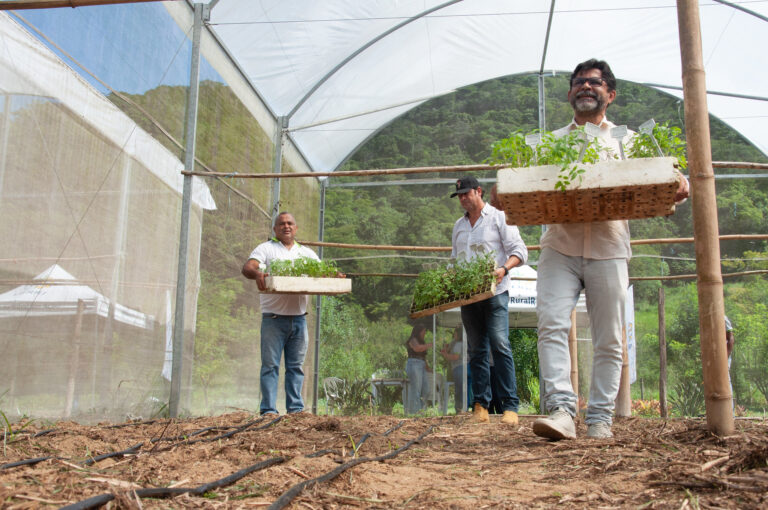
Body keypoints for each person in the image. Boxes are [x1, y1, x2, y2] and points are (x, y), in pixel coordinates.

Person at [533, 59, 690, 440]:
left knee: (609, 338)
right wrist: (504, 190)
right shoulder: (552, 141)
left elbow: (669, 180)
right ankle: (562, 411)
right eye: (578, 82)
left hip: (609, 246)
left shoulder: (629, 140)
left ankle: (600, 418)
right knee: (551, 324)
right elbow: (526, 182)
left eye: (595, 82)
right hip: (560, 246)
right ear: (570, 93)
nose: (585, 87)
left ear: (611, 94)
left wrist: (679, 181)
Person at [450, 175, 528, 424]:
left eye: (466, 193)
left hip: (496, 293)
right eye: (459, 195)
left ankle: (510, 407)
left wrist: (503, 269)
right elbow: (455, 260)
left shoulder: (498, 217)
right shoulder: (459, 226)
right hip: (469, 296)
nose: (463, 198)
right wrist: (451, 277)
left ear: (479, 191)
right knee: (476, 350)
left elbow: (520, 251)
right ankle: (481, 406)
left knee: (500, 344)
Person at [242, 212, 325, 416]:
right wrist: (258, 273)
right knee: (270, 366)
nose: (286, 226)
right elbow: (248, 267)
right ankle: (268, 410)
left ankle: (295, 410)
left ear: (296, 228)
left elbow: (323, 271)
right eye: (281, 224)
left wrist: (335, 276)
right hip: (273, 318)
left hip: (299, 319)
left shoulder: (305, 253)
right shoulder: (266, 248)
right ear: (275, 229)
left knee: (296, 367)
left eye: (290, 223)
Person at [440, 327, 472, 413]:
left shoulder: (458, 344)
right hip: (469, 367)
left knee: (459, 390)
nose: (454, 335)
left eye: (455, 333)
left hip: (459, 368)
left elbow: (455, 357)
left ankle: (460, 409)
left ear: (458, 334)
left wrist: (445, 355)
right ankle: (466, 408)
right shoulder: (467, 343)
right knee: (467, 390)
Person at [405, 324, 432, 414]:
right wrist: (430, 345)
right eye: (423, 331)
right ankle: (415, 412)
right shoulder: (412, 340)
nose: (424, 333)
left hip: (422, 364)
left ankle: (421, 410)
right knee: (416, 389)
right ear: (419, 331)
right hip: (414, 364)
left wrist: (428, 368)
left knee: (426, 389)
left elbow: (423, 357)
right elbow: (417, 348)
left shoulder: (422, 342)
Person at [725, 315, 735, 411]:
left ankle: (729, 413)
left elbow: (731, 337)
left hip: (723, 356)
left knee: (725, 380)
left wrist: (726, 356)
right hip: (712, 357)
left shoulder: (722, 317)